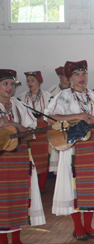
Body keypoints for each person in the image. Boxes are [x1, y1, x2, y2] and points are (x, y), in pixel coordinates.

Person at [45, 60, 94, 241]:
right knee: (74, 185)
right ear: (69, 78)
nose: (81, 78)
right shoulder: (63, 96)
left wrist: (93, 121)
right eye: (77, 74)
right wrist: (77, 116)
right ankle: (78, 227)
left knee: (92, 185)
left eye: (84, 74)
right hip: (74, 149)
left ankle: (89, 225)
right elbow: (50, 117)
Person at [0, 69, 45, 244]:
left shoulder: (19, 105)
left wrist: (13, 124)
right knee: (2, 199)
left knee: (19, 196)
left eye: (12, 84)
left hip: (19, 159)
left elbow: (30, 131)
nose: (9, 87)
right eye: (5, 83)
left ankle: (17, 239)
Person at [18, 71, 53, 193]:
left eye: (33, 80)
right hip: (28, 129)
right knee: (30, 157)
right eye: (28, 81)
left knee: (44, 157)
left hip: (43, 129)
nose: (30, 83)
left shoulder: (48, 95)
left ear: (39, 81)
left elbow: (51, 113)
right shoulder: (22, 97)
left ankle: (41, 186)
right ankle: (31, 187)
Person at [47, 66, 69, 174]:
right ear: (60, 76)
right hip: (57, 126)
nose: (67, 78)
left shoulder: (74, 90)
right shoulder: (51, 91)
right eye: (65, 75)